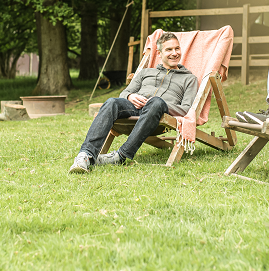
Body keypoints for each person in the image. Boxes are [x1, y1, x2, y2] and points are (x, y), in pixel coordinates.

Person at [69, 32, 199, 173]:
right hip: (134, 108)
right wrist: (130, 96)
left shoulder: (189, 79)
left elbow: (186, 109)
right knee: (112, 102)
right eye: (169, 49)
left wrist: (160, 104)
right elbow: (124, 93)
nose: (174, 53)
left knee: (156, 102)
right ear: (159, 53)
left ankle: (121, 155)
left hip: (159, 114)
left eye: (177, 48)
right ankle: (85, 156)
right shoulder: (145, 72)